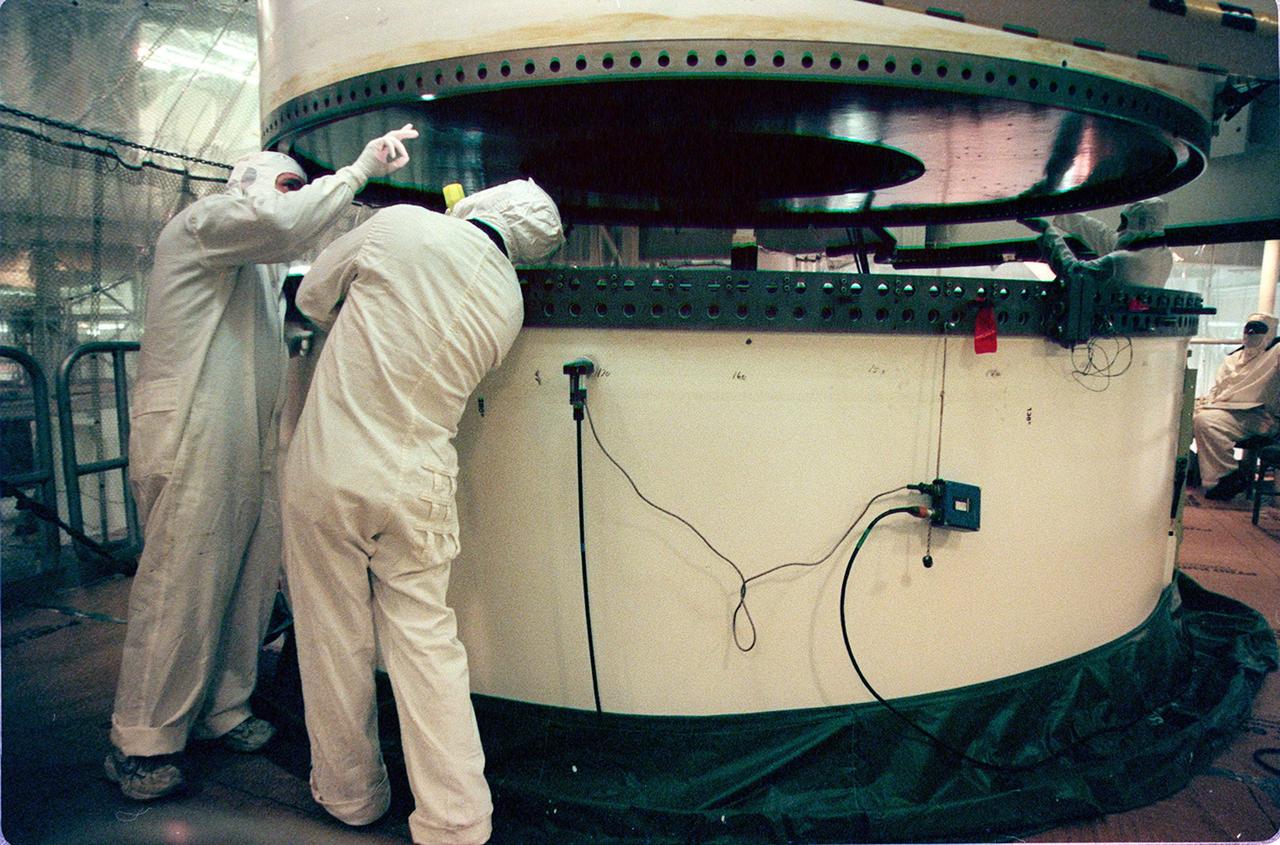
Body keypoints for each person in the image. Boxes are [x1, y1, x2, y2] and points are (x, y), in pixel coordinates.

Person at [105, 124, 419, 801]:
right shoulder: (206, 223)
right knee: (183, 581)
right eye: (285, 186)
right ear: (248, 183)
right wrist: (359, 169)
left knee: (246, 575)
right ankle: (142, 739)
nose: (293, 198)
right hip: (191, 431)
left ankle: (222, 707)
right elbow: (283, 223)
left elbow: (302, 245)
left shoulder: (259, 262)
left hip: (243, 434)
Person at [279, 180, 563, 844]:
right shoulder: (509, 302)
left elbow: (312, 296)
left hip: (335, 466)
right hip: (423, 485)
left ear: (487, 199)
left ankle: (353, 795)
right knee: (429, 647)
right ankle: (457, 821)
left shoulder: (403, 225)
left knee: (333, 637)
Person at [1193, 313, 1280, 500]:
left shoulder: (1275, 354)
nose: (1251, 333)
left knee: (1206, 422)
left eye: (1258, 330)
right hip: (1227, 410)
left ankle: (1226, 477)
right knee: (1185, 416)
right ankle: (1192, 469)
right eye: (1248, 329)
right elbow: (1219, 390)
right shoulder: (1233, 359)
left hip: (1262, 416)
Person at [1029, 197, 1174, 289]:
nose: (1119, 229)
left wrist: (1046, 230)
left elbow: (1072, 271)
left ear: (1143, 224)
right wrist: (1062, 210)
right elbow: (1105, 237)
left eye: (1125, 223)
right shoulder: (1163, 256)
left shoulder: (1122, 262)